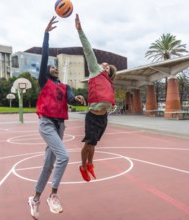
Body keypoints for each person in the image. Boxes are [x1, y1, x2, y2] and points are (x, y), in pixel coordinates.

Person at [28, 16, 86, 219]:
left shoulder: (64, 86)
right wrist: (46, 35)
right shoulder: (44, 82)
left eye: (55, 66)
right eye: (51, 66)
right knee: (64, 156)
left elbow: (70, 99)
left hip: (60, 126)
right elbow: (44, 57)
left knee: (48, 165)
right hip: (46, 124)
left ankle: (35, 198)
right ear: (46, 72)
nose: (54, 67)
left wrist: (78, 99)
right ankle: (53, 195)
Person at [75, 14, 117, 182]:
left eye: (107, 66)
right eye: (104, 63)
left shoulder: (108, 81)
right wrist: (80, 30)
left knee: (94, 144)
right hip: (93, 116)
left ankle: (90, 164)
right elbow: (88, 50)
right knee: (88, 143)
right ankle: (83, 166)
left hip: (103, 117)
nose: (104, 64)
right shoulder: (95, 70)